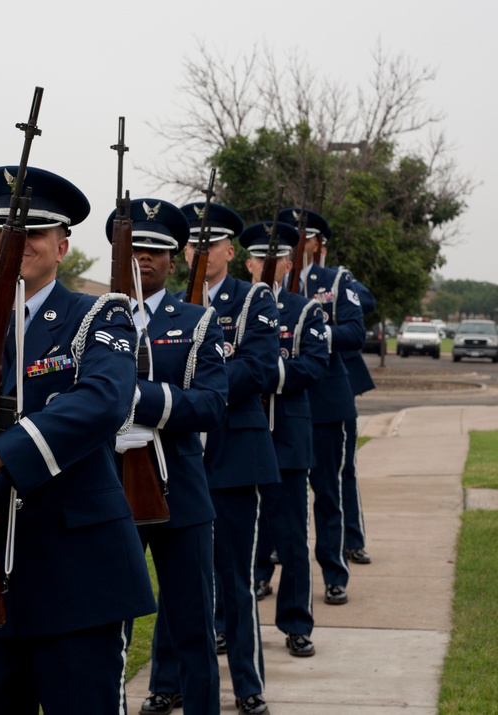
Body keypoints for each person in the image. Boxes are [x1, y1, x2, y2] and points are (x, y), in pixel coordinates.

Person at [0, 166, 155, 715]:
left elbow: (101, 402)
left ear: (62, 246)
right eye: (3, 231)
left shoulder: (98, 316)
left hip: (81, 576)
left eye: (33, 234)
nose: (14, 244)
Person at [108, 199, 228, 715]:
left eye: (156, 250)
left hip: (179, 495)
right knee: (107, 631)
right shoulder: (95, 321)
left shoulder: (198, 321)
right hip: (109, 495)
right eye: (133, 249)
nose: (144, 258)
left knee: (193, 628)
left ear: (174, 261)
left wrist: (142, 399)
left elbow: (211, 403)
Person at [172, 201, 280, 715]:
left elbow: (258, 367)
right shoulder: (171, 306)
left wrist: (201, 381)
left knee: (235, 578)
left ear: (229, 251)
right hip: (178, 457)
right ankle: (166, 682)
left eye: (210, 244)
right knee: (180, 581)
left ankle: (247, 682)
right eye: (192, 244)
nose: (200, 252)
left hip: (235, 453)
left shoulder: (253, 298)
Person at [241, 221, 329, 658]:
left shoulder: (305, 310)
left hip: (287, 437)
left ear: (289, 265)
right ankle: (225, 623)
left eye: (277, 259)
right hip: (237, 437)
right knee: (231, 535)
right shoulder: (230, 308)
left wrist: (260, 373)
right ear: (249, 262)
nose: (267, 265)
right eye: (260, 258)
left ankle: (296, 623)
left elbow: (314, 366)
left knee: (292, 536)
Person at [278, 207, 366, 606]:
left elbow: (354, 331)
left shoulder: (334, 281)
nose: (296, 246)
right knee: (275, 495)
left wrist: (311, 331)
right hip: (281, 404)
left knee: (328, 492)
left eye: (302, 237)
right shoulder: (266, 287)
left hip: (326, 400)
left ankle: (334, 572)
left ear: (314, 243)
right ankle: (263, 570)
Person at [341, 279, 377, 565]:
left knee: (344, 471)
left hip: (336, 384)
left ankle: (353, 540)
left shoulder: (338, 279)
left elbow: (366, 301)